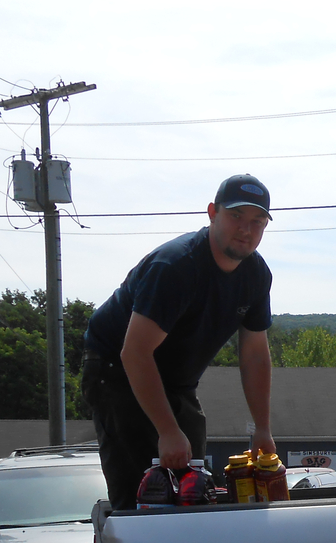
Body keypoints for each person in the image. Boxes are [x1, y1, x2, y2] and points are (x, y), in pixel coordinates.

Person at [82, 174, 277, 509]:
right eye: (236, 217)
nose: (246, 230)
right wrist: (167, 430)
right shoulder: (175, 266)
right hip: (117, 370)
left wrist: (262, 427)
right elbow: (136, 352)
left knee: (192, 484)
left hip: (177, 381)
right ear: (212, 213)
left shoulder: (256, 275)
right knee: (147, 487)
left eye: (257, 222)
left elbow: (255, 355)